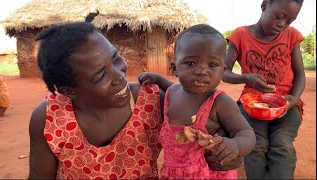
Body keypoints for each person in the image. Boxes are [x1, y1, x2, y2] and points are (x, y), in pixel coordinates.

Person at [28, 22, 242, 179]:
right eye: (100, 75)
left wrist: (230, 152)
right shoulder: (50, 117)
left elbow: (220, 129)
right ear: (69, 91)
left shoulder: (150, 101)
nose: (119, 76)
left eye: (116, 59)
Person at [138, 24, 256, 179]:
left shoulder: (220, 103)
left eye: (212, 65)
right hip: (174, 173)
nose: (202, 71)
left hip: (208, 174)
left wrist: (236, 145)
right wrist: (158, 78)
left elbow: (246, 133)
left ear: (223, 70)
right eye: (191, 63)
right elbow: (171, 86)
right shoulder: (173, 92)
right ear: (174, 68)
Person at [223, 0, 306, 179]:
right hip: (253, 104)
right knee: (255, 143)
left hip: (286, 105)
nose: (282, 24)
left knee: (282, 144)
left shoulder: (292, 36)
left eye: (289, 21)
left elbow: (300, 75)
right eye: (279, 16)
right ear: (264, 5)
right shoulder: (240, 35)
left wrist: (293, 99)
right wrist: (245, 78)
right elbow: (224, 72)